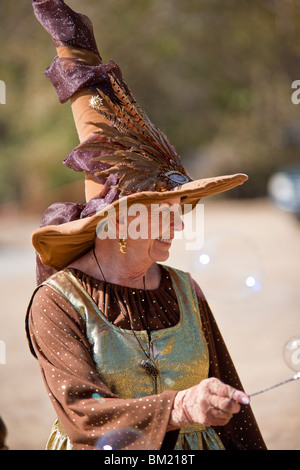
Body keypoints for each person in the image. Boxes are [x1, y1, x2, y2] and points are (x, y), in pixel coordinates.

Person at [26, 0, 266, 451]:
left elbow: (235, 413)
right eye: (162, 207)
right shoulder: (56, 304)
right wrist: (179, 408)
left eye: (180, 206)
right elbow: (81, 412)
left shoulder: (185, 290)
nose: (177, 221)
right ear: (116, 220)